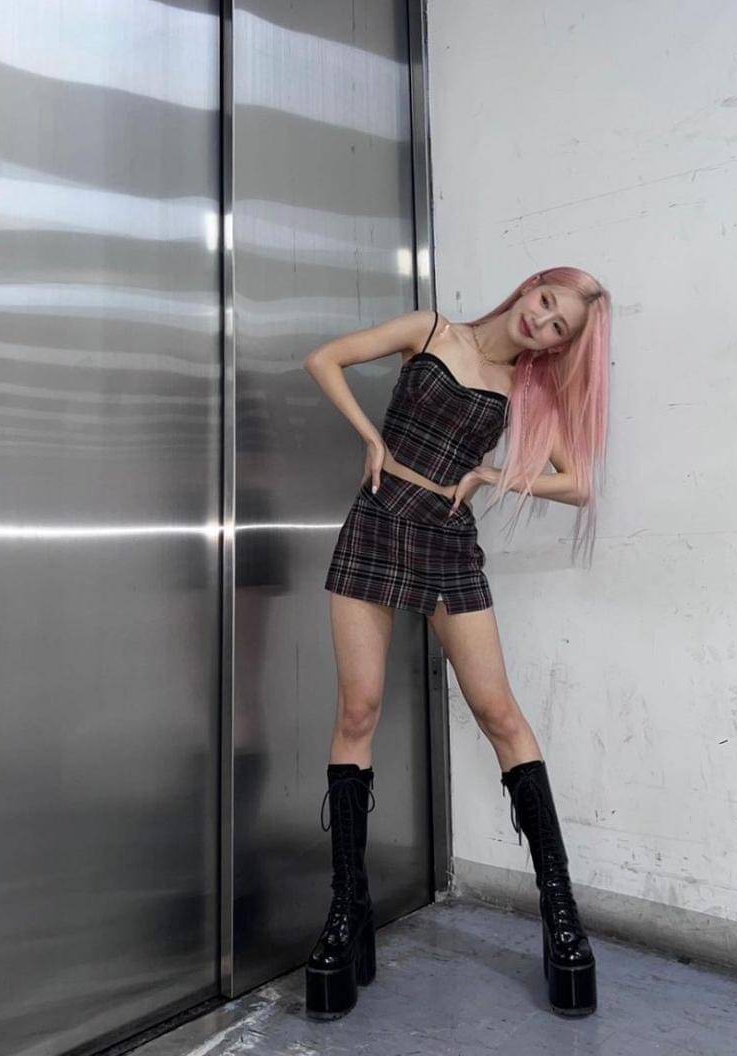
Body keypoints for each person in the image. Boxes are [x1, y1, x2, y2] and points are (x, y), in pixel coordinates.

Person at [300, 267, 611, 1020]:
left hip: (446, 539)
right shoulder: (430, 329)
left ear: (560, 344)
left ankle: (560, 915)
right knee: (358, 712)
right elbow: (324, 359)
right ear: (530, 287)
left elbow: (579, 484)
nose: (544, 322)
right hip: (378, 521)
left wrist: (492, 474)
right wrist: (371, 437)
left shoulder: (528, 391)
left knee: (499, 714)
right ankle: (348, 914)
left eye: (561, 327)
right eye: (547, 303)